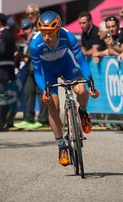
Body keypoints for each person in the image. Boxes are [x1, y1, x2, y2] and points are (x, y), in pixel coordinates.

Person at [29, 11, 96, 166]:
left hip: (67, 66)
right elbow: (38, 72)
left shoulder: (68, 36)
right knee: (53, 107)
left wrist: (90, 80)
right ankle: (61, 146)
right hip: (48, 73)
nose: (46, 37)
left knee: (81, 90)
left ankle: (83, 112)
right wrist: (44, 90)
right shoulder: (35, 45)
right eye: (43, 33)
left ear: (57, 29)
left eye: (50, 33)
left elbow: (81, 60)